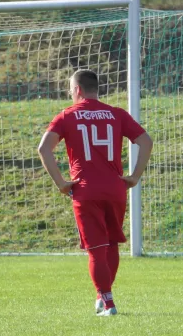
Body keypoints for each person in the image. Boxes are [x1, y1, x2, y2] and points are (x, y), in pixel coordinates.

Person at [37, 69, 153, 317]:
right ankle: (102, 296)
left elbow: (44, 148)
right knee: (111, 245)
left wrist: (61, 183)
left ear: (77, 90)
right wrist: (134, 176)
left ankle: (109, 303)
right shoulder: (117, 114)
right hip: (115, 189)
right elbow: (146, 141)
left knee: (96, 249)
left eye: (70, 89)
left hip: (85, 189)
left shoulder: (68, 115)